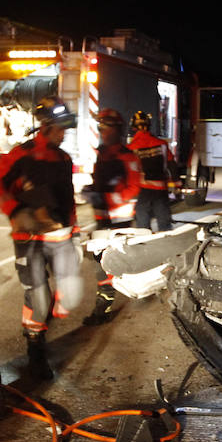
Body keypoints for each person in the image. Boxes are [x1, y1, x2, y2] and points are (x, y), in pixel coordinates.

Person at [0, 97, 83, 380]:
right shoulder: (21, 155)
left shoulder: (64, 159)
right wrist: (15, 210)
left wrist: (74, 231)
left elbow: (68, 200)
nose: (64, 134)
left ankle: (40, 323)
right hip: (30, 239)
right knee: (39, 299)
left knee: (70, 297)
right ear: (47, 125)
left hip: (62, 236)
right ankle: (35, 353)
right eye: (60, 128)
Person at [82, 109, 141, 324]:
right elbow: (101, 182)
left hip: (119, 219)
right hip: (102, 218)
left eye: (106, 128)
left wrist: (107, 198)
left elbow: (134, 188)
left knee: (105, 264)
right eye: (100, 128)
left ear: (117, 130)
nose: (103, 132)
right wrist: (90, 190)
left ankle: (103, 309)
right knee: (102, 262)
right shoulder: (102, 154)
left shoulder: (127, 156)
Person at [128, 111, 173, 232]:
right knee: (164, 224)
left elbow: (130, 170)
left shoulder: (131, 148)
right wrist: (176, 183)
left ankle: (145, 244)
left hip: (143, 191)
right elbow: (170, 163)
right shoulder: (162, 144)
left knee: (142, 224)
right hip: (161, 190)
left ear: (133, 127)